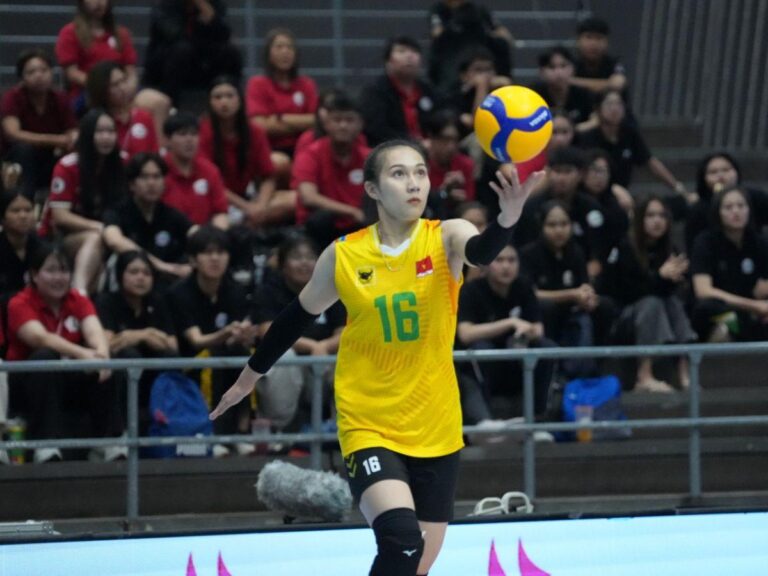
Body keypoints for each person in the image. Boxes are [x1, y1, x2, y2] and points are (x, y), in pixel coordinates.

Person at [210, 139, 544, 576]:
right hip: (368, 420)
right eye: (399, 174)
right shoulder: (345, 254)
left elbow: (481, 252)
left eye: (420, 172)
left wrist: (507, 219)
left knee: (415, 565)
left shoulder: (446, 235)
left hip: (436, 423)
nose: (414, 183)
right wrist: (248, 378)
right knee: (402, 541)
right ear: (372, 189)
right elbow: (294, 319)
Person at [5, 243, 125, 462]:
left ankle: (108, 441)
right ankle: (46, 443)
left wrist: (102, 357)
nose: (58, 278)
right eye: (51, 270)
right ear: (34, 275)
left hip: (67, 378)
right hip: (28, 382)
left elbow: (94, 330)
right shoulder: (19, 303)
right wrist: (84, 354)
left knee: (107, 360)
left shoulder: (76, 299)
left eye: (64, 271)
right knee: (45, 357)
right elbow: (40, 338)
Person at [167, 225, 257, 456]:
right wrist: (226, 332)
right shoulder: (180, 293)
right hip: (190, 363)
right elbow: (196, 340)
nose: (215, 258)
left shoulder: (235, 290)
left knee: (247, 358)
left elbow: (239, 336)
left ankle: (242, 432)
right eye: (207, 253)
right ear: (193, 260)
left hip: (227, 354)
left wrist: (244, 334)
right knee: (215, 359)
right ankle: (213, 433)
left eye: (221, 252)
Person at [251, 235, 345, 431]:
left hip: (323, 362)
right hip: (287, 367)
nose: (304, 263)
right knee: (285, 356)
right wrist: (313, 346)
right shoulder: (269, 291)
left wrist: (325, 346)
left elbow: (344, 330)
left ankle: (344, 430)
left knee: (350, 357)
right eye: (296, 257)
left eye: (310, 257)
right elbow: (267, 330)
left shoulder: (332, 288)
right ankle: (279, 430)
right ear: (283, 264)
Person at [602, 195, 695, 392]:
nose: (657, 221)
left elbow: (668, 291)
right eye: (650, 215)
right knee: (652, 303)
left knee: (673, 303)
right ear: (639, 219)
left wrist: (675, 278)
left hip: (658, 314)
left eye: (662, 215)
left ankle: (684, 372)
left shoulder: (669, 249)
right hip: (624, 320)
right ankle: (644, 375)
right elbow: (625, 293)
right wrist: (659, 277)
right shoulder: (625, 247)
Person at [456, 243, 556, 423]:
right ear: (486, 265)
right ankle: (486, 420)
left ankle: (537, 417)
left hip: (516, 357)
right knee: (482, 349)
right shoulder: (471, 290)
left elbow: (538, 329)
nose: (506, 266)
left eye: (511, 260)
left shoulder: (523, 287)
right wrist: (510, 323)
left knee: (546, 347)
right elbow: (466, 333)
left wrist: (527, 331)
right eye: (499, 260)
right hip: (483, 364)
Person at [39, 108, 126, 293]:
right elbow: (60, 217)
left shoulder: (122, 163)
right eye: (100, 131)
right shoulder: (68, 166)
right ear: (87, 134)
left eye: (111, 131)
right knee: (95, 238)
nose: (106, 137)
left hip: (108, 235)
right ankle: (79, 293)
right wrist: (101, 228)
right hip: (61, 237)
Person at [520, 201, 606, 378]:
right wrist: (572, 295)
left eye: (564, 224)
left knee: (604, 307)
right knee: (547, 307)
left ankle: (593, 368)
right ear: (541, 226)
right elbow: (530, 294)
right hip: (540, 313)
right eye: (552, 225)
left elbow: (584, 286)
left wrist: (589, 297)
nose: (559, 230)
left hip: (571, 308)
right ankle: (553, 370)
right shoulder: (528, 254)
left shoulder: (576, 252)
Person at [199, 77, 295, 229]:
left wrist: (260, 206)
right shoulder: (202, 132)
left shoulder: (254, 131)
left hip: (247, 198)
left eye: (230, 96)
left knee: (294, 199)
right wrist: (246, 207)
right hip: (216, 201)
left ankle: (246, 225)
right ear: (210, 102)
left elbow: (268, 176)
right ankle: (242, 227)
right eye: (218, 97)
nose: (224, 102)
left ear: (240, 100)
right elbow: (211, 183)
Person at [97, 250, 177, 428]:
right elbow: (108, 344)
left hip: (150, 372)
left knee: (169, 358)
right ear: (120, 275)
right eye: (134, 272)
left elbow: (172, 345)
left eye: (147, 273)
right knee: (129, 355)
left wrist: (134, 336)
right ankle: (121, 428)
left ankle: (167, 422)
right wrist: (145, 335)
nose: (141, 278)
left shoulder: (157, 301)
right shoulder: (107, 301)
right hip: (118, 376)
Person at [55, 0, 168, 118]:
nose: (99, 2)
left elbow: (130, 70)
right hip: (88, 92)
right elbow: (72, 73)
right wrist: (103, 85)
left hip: (120, 87)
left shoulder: (121, 33)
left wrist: (129, 86)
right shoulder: (70, 32)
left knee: (160, 102)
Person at [102, 152, 193, 290]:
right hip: (125, 287)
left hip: (164, 286)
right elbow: (114, 240)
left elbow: (197, 234)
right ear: (132, 184)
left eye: (156, 177)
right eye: (144, 177)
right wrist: (159, 265)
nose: (151, 183)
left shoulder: (170, 214)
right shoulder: (117, 211)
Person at [578, 90, 691, 201]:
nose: (614, 109)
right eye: (609, 104)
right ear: (598, 109)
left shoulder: (629, 133)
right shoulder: (588, 137)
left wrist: (678, 188)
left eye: (618, 104)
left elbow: (650, 162)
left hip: (622, 192)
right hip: (594, 192)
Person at [291, 92, 371, 248]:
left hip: (357, 225)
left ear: (360, 124)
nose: (343, 126)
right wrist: (352, 212)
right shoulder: (310, 154)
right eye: (337, 120)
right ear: (326, 124)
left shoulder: (370, 158)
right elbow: (308, 197)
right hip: (323, 227)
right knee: (321, 219)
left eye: (349, 120)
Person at [691, 187, 768, 342]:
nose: (736, 211)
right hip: (723, 310)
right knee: (709, 309)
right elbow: (703, 291)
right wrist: (755, 305)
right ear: (718, 212)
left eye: (741, 206)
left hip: (753, 314)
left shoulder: (759, 242)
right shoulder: (705, 242)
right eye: (728, 207)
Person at [1, 49, 78, 199]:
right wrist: (56, 140)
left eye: (44, 70)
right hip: (17, 159)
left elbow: (72, 130)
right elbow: (13, 133)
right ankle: (25, 200)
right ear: (22, 78)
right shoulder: (12, 98)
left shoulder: (60, 98)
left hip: (50, 155)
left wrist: (72, 138)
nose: (39, 75)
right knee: (24, 150)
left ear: (51, 73)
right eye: (31, 72)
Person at [143, 0, 243, 107]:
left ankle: (230, 102)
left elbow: (224, 35)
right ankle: (170, 105)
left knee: (230, 52)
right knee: (182, 50)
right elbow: (173, 34)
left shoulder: (215, 4)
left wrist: (210, 15)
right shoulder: (165, 5)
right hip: (167, 63)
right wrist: (203, 28)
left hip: (200, 59)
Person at [246, 28, 318, 162]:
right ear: (268, 54)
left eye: (290, 47)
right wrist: (301, 123)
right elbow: (260, 126)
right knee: (278, 163)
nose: (285, 52)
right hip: (270, 149)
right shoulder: (257, 83)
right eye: (279, 47)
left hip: (304, 148)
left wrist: (280, 118)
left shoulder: (307, 84)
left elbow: (316, 121)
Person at [361, 36, 443, 147]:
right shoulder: (375, 92)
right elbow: (377, 130)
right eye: (401, 51)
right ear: (388, 62)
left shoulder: (428, 91)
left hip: (431, 150)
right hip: (391, 149)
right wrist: (414, 144)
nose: (409, 56)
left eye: (414, 52)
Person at [685, 151, 768, 251]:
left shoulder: (755, 197)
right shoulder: (698, 210)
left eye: (726, 170)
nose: (720, 176)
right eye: (713, 172)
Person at [160, 112, 229, 229]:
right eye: (182, 134)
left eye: (194, 134)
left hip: (203, 236)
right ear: (167, 140)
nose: (189, 140)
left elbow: (220, 212)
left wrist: (216, 235)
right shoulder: (158, 171)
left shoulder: (210, 170)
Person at [427, 0, 513, 92]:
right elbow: (436, 34)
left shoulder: (479, 10)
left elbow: (506, 37)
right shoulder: (438, 10)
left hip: (480, 49)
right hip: (452, 62)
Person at [85, 61, 159, 158]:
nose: (122, 88)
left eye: (123, 81)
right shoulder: (94, 123)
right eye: (115, 85)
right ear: (101, 90)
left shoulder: (144, 117)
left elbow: (154, 156)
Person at [423, 110, 475, 220]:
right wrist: (442, 194)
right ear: (431, 138)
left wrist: (461, 199)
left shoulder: (465, 164)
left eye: (455, 140)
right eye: (445, 139)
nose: (451, 146)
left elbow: (470, 204)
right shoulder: (421, 165)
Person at [530, 46, 596, 130]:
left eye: (563, 66)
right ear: (541, 72)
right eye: (552, 67)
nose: (559, 73)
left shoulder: (584, 95)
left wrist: (571, 131)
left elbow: (594, 120)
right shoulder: (532, 95)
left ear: (573, 69)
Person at [571, 17, 628, 96]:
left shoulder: (614, 64)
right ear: (578, 41)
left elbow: (618, 84)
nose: (593, 43)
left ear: (607, 43)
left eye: (599, 38)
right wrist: (607, 83)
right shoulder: (571, 65)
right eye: (589, 37)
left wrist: (571, 81)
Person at [0, 191, 41, 300]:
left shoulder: (42, 247)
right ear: (2, 217)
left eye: (28, 210)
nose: (23, 216)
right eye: (15, 211)